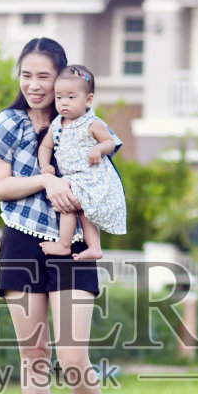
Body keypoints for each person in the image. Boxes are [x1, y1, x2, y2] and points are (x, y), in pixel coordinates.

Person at [0, 37, 138, 394]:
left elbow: (103, 173)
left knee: (72, 356)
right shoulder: (9, 123)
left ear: (64, 77)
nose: (34, 85)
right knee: (33, 354)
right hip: (21, 241)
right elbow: (0, 187)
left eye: (43, 76)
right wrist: (47, 180)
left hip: (74, 245)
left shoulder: (83, 120)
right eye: (26, 75)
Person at [37, 64, 127, 261]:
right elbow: (45, 146)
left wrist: (98, 149)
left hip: (91, 177)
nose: (64, 103)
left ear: (88, 99)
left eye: (71, 97)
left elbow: (109, 142)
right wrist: (45, 165)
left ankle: (64, 245)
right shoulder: (57, 124)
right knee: (78, 208)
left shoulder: (92, 123)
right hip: (73, 177)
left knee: (68, 204)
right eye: (59, 97)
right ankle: (94, 247)